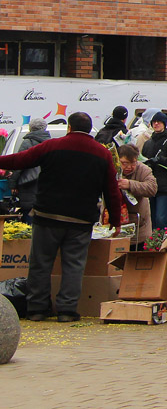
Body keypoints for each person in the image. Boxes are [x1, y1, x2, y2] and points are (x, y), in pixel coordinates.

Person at [0, 111, 121, 322]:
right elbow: (111, 190)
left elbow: (20, 160)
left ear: (70, 128)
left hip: (47, 215)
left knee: (40, 263)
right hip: (80, 220)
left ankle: (37, 309)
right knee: (73, 265)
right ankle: (67, 310)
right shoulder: (102, 154)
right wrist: (116, 221)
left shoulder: (53, 146)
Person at [141, 111, 167, 232]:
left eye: (159, 122)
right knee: (151, 219)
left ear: (164, 124)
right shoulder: (148, 143)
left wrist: (160, 160)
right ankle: (152, 246)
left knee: (161, 219)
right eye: (154, 122)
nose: (156, 124)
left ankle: (165, 245)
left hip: (165, 187)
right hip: (150, 186)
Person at [116, 144, 157, 249]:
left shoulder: (143, 170)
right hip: (114, 223)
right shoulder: (111, 168)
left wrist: (130, 184)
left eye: (133, 163)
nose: (129, 167)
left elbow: (152, 188)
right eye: (124, 163)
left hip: (139, 226)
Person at [12, 118, 50, 223]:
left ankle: (28, 237)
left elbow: (19, 164)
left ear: (30, 128)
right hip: (46, 186)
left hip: (28, 185)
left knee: (29, 213)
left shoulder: (27, 142)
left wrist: (13, 184)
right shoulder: (51, 143)